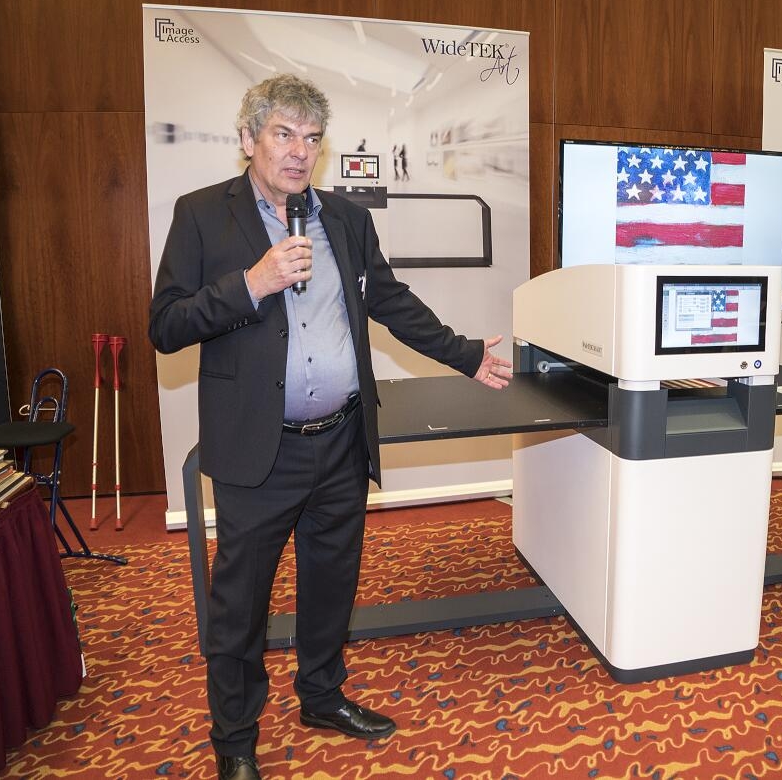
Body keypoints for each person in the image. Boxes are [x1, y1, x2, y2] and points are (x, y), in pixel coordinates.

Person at [148, 74, 512, 780]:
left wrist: (464, 354)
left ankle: (321, 695)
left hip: (341, 441)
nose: (299, 151)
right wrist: (251, 283)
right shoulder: (202, 215)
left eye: (311, 138)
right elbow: (165, 324)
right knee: (239, 605)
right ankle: (235, 737)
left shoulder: (344, 218)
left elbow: (390, 300)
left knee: (331, 585)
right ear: (248, 138)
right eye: (283, 134)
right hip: (260, 450)